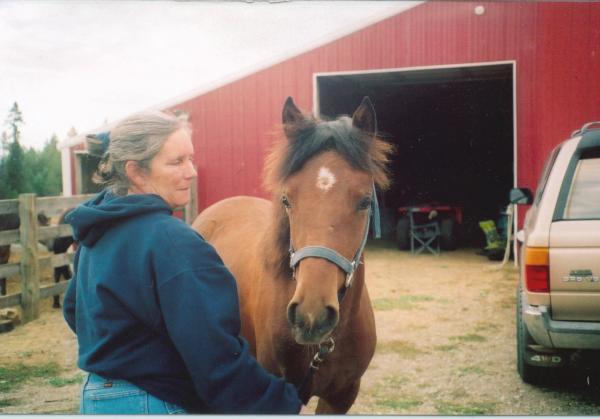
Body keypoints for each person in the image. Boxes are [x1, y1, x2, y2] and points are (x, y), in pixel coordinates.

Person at [63, 110, 303, 414]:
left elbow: (75, 311)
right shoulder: (172, 242)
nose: (192, 171)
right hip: (155, 402)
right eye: (176, 162)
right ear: (136, 172)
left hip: (96, 397)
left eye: (191, 159)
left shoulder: (96, 233)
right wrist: (280, 402)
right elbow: (214, 355)